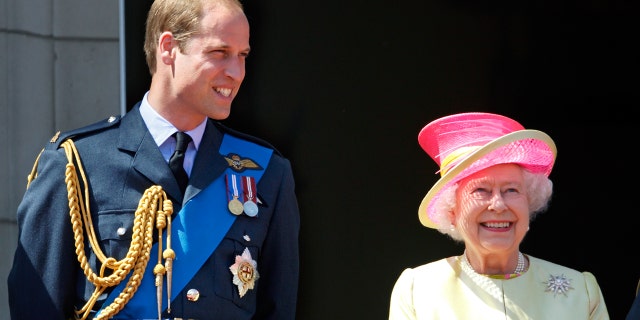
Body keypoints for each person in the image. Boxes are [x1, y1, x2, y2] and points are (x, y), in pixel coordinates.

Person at [7, 0, 300, 319]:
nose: (237, 73)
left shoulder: (267, 172)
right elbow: (34, 306)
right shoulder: (76, 165)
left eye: (243, 56)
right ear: (168, 48)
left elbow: (278, 309)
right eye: (220, 53)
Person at [388, 112, 609, 319]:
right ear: (452, 211)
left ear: (529, 203)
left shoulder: (581, 291)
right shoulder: (417, 289)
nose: (498, 205)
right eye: (481, 191)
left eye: (511, 190)